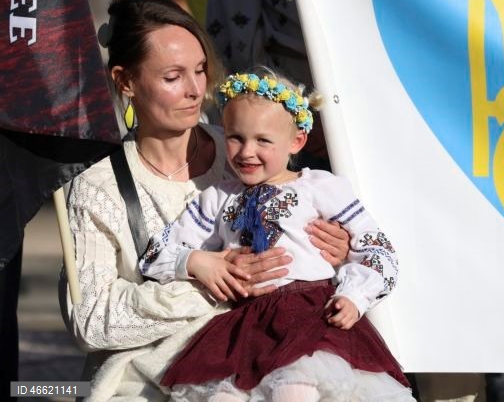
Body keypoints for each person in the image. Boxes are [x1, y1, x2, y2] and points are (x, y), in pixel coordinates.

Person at [61, 0, 350, 402]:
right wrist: (205, 279)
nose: (197, 89)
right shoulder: (97, 184)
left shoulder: (250, 150)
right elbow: (91, 321)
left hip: (274, 359)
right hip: (151, 379)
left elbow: (321, 262)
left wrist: (334, 252)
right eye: (173, 77)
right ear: (125, 81)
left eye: (200, 70)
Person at [138, 71, 413, 401]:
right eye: (235, 137)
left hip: (312, 317)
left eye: (263, 141)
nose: (246, 151)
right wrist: (195, 260)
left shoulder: (319, 187)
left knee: (295, 387)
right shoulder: (217, 198)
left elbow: (377, 248)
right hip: (243, 327)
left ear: (296, 142)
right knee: (223, 396)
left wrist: (356, 294)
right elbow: (154, 255)